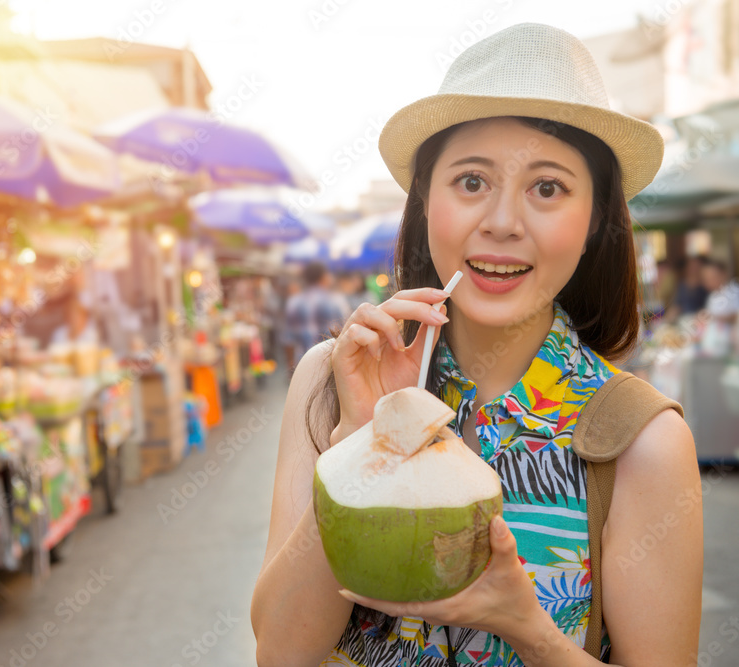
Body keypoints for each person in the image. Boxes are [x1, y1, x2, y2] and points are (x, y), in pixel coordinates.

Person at [252, 23, 702, 667]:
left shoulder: (640, 439)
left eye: (547, 188)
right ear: (426, 200)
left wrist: (529, 629)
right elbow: (279, 653)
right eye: (470, 182)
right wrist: (362, 440)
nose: (500, 222)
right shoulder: (329, 381)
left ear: (597, 218)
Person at [284, 261, 351, 369]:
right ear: (324, 277)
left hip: (302, 363)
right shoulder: (336, 301)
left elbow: (288, 340)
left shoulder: (294, 302)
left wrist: (290, 367)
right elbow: (345, 333)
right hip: (329, 365)